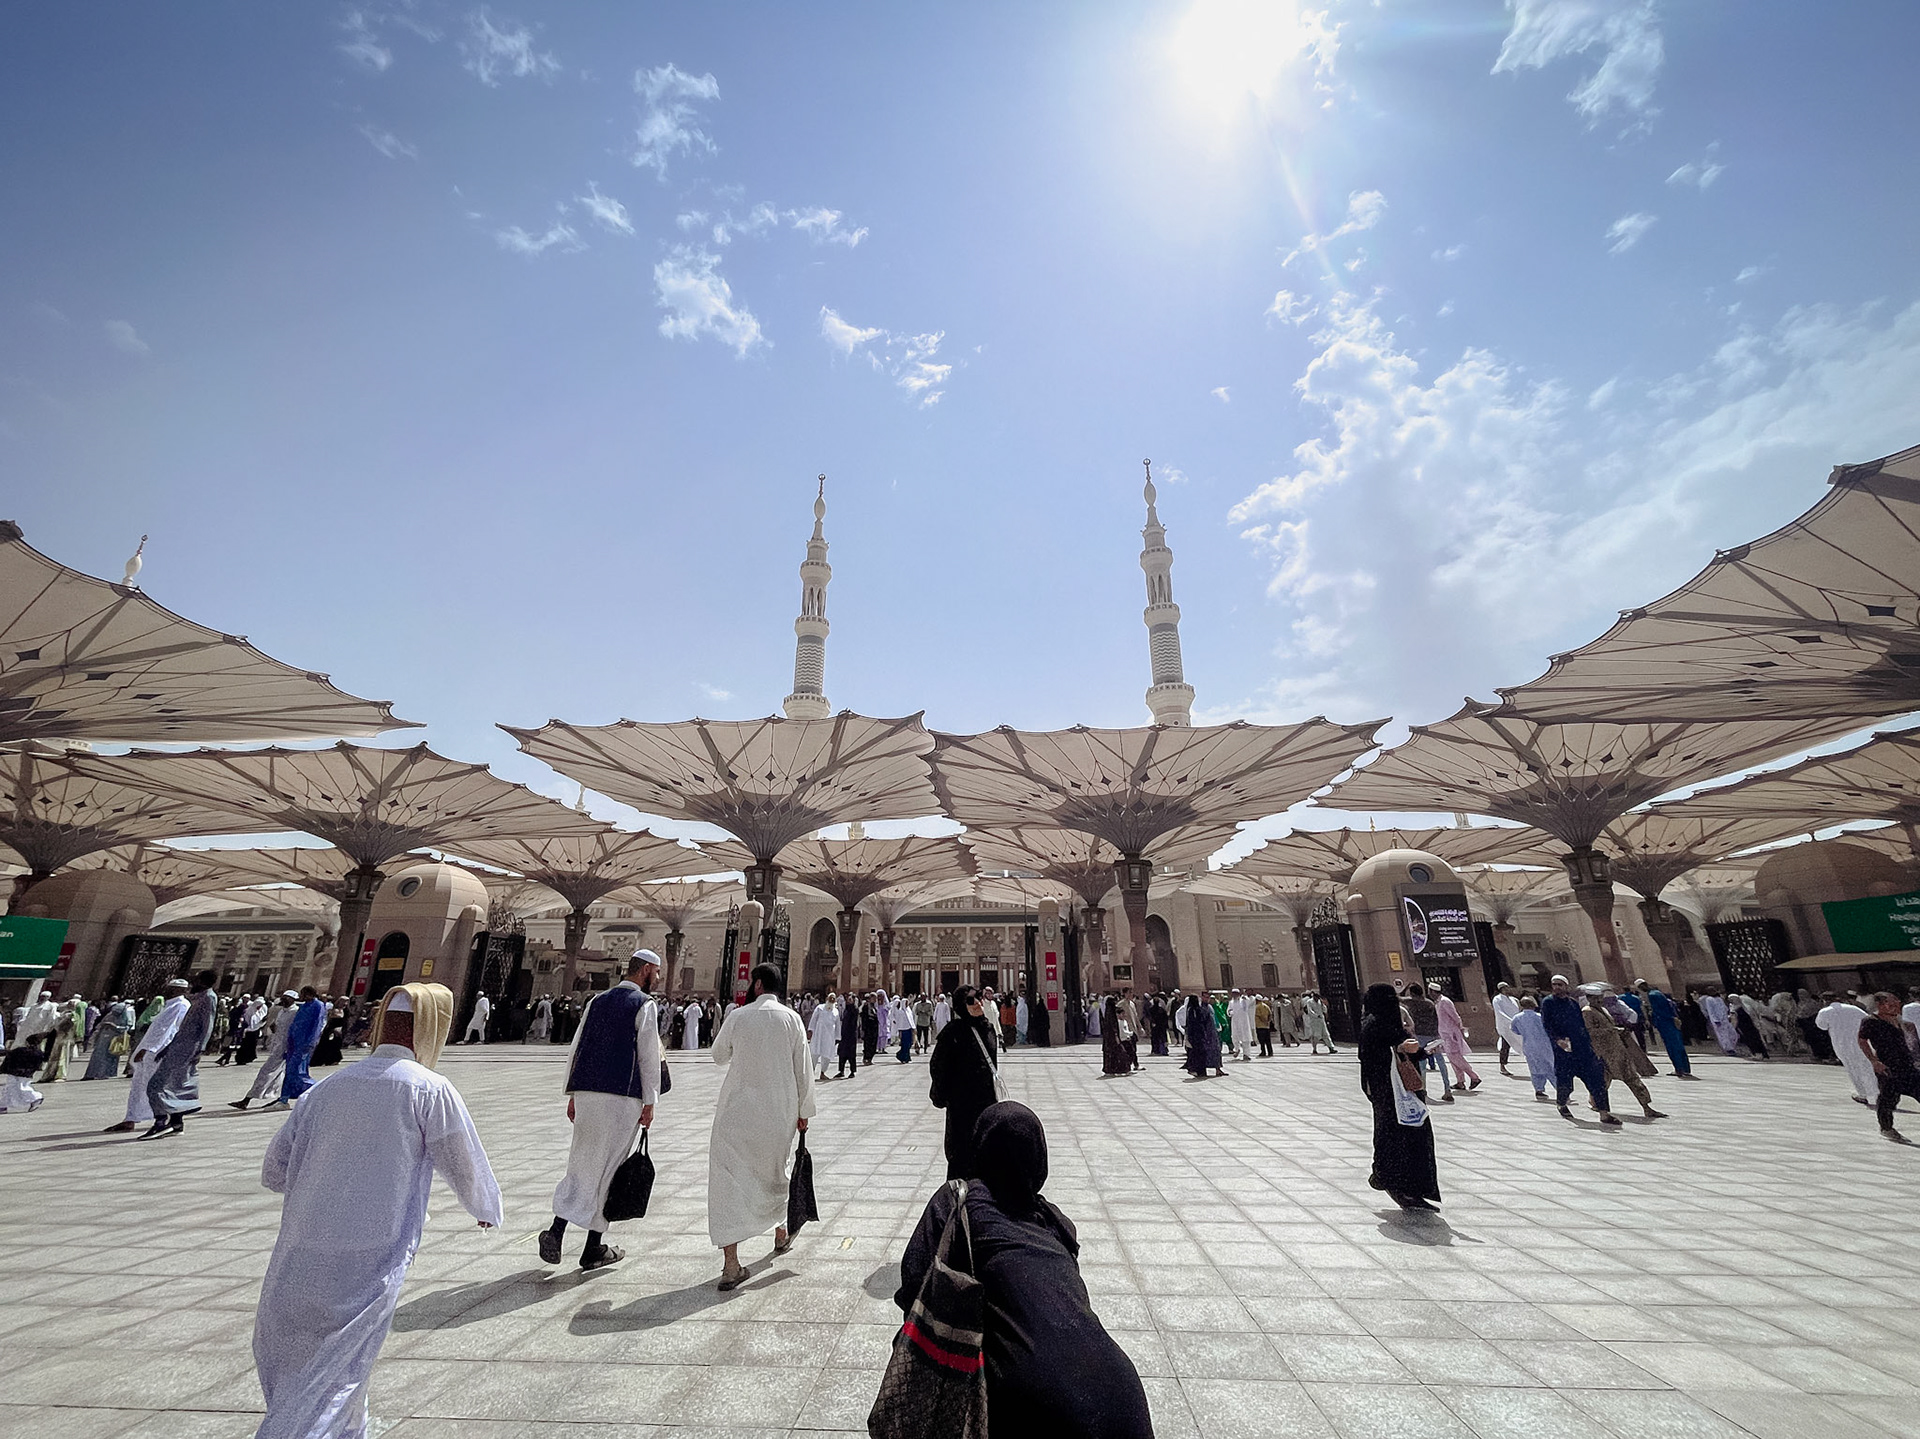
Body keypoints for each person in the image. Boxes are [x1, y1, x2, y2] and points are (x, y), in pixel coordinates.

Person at [253, 983, 500, 1437]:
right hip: (371, 1256)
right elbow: (462, 1160)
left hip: (299, 1253)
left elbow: (274, 1171)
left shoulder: (325, 1089)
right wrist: (484, 1207)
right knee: (338, 1375)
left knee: (300, 1373)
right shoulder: (428, 1088)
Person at [893, 1102, 1152, 1439]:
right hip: (1123, 1396)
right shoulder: (1055, 1222)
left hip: (1036, 1402)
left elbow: (914, 1285)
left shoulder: (957, 1202)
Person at [540, 949, 664, 1271]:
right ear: (645, 970)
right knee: (610, 1169)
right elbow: (648, 1055)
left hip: (588, 1095)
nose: (658, 979)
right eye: (656, 973)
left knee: (581, 1162)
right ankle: (592, 1247)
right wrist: (650, 1101)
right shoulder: (644, 1004)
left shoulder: (597, 1001)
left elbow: (578, 1046)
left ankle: (557, 1231)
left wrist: (573, 1093)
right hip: (622, 1098)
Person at [709, 964, 816, 1291]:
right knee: (776, 1173)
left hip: (736, 1113)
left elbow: (718, 1055)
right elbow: (804, 1070)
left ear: (757, 984)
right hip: (779, 1112)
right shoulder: (791, 1019)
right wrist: (804, 1111)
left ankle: (731, 1264)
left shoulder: (738, 1017)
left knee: (728, 1182)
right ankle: (780, 1233)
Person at [1357, 983, 1441, 1211]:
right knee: (1395, 1137)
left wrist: (1421, 1051)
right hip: (1388, 1093)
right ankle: (1393, 1182)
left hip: (1404, 1092)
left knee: (1415, 1135)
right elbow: (1369, 1056)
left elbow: (1406, 1049)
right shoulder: (1373, 1025)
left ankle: (1415, 1188)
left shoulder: (1389, 1024)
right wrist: (1399, 1049)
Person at [929, 985, 1002, 1178]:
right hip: (962, 1107)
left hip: (986, 1103)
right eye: (970, 1001)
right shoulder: (952, 1033)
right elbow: (938, 1066)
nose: (977, 1003)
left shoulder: (987, 1028)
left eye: (978, 997)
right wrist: (944, 1096)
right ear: (962, 1006)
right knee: (962, 1156)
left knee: (985, 1152)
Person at [139, 970, 218, 1139]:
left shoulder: (209, 997)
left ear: (202, 981)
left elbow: (208, 1024)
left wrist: (201, 1048)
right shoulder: (198, 997)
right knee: (174, 1086)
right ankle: (176, 1123)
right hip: (179, 1046)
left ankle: (161, 1122)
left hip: (188, 1049)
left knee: (156, 1086)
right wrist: (168, 1048)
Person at [104, 979, 189, 1133]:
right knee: (138, 1085)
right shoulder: (169, 1005)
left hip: (158, 1052)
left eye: (173, 989)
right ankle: (130, 1119)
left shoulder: (181, 1005)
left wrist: (148, 1049)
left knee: (155, 1087)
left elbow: (167, 1030)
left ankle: (164, 1120)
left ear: (181, 990)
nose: (169, 991)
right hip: (150, 1052)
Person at [1540, 975, 1618, 1126]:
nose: (1557, 987)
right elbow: (1547, 1024)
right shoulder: (1548, 1002)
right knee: (1565, 1083)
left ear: (1566, 986)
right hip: (1564, 1051)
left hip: (1583, 1049)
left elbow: (1581, 1025)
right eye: (1554, 984)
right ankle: (1561, 1103)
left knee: (1597, 1080)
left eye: (1560, 984)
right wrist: (1557, 1040)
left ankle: (1604, 1114)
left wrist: (1590, 1045)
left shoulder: (1573, 1003)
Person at [1579, 988, 1665, 1120]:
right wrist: (1611, 1031)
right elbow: (1589, 1032)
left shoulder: (1604, 1010)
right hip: (1603, 1052)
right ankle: (1597, 1103)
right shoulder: (1587, 1012)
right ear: (1589, 998)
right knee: (1603, 1081)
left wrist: (1617, 1031)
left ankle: (1646, 1107)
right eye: (1596, 998)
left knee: (1632, 1078)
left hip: (1618, 1050)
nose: (1599, 1000)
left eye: (1600, 997)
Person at [1855, 992, 1920, 1143]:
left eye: (1897, 1004)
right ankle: (1886, 1128)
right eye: (1891, 1005)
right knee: (1888, 1098)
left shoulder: (1901, 1021)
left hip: (1908, 1065)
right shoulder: (1871, 1021)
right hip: (1887, 1066)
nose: (1895, 1007)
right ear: (1880, 1005)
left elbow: (1911, 1043)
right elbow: (1862, 1040)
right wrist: (1874, 1061)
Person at [231, 993, 300, 1111]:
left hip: (286, 1046)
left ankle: (248, 1098)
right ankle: (276, 1098)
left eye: (286, 998)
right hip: (276, 1045)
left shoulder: (295, 1012)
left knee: (267, 1072)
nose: (283, 1000)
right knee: (277, 1073)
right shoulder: (282, 1011)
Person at [1817, 994, 1876, 1105]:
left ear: (1824, 1001)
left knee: (1852, 1068)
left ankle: (1862, 1094)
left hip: (1842, 1044)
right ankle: (1877, 1092)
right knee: (1867, 1066)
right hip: (1859, 1041)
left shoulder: (1824, 1012)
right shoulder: (1854, 1008)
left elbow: (1822, 1026)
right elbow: (1868, 1020)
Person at [275, 987, 329, 1108]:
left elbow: (318, 1024)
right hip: (294, 1043)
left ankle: (314, 1092)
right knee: (290, 1071)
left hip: (304, 1044)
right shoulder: (304, 1006)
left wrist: (310, 1042)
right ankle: (285, 1097)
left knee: (296, 1071)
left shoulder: (318, 1006)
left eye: (303, 994)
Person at [1402, 984, 1453, 1103]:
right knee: (1441, 1062)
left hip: (1420, 1034)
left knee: (1421, 1063)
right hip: (1433, 1034)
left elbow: (1399, 998)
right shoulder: (1429, 1003)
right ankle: (1447, 1089)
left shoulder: (1411, 1002)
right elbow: (1436, 1019)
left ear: (1412, 993)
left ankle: (1423, 1088)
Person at [1635, 980, 1694, 1079]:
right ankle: (1686, 1069)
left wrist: (1652, 1016)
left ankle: (1679, 1069)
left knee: (1672, 1047)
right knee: (1679, 1046)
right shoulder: (1658, 993)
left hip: (1665, 1023)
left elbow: (1658, 1011)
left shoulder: (1652, 995)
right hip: (1671, 1022)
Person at [1432, 982, 1481, 1091]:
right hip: (1444, 1034)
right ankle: (1460, 1081)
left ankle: (1474, 1077)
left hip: (1451, 1034)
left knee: (1455, 1057)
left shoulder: (1445, 1001)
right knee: (1452, 1058)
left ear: (1433, 991)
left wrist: (1459, 1028)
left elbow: (1455, 1016)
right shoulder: (1438, 1002)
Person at [1509, 995, 1556, 1099]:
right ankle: (1561, 1090)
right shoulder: (1539, 1017)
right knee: (1550, 1067)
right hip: (1544, 1046)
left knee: (1534, 1068)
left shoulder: (1516, 1018)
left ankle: (1539, 1090)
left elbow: (1514, 1029)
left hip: (1528, 1046)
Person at [83, 996, 135, 1081]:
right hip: (103, 1039)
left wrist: (115, 1027)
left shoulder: (125, 1016)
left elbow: (128, 1027)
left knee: (109, 1057)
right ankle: (91, 1073)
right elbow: (100, 1025)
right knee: (97, 1056)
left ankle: (104, 1073)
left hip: (114, 1040)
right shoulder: (110, 1015)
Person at [1181, 993, 1224, 1078]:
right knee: (1199, 1053)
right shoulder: (1195, 1010)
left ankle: (1213, 1070)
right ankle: (1198, 1070)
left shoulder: (1205, 1008)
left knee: (1212, 1051)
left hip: (1207, 1034)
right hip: (1200, 1035)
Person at [1697, 988, 1740, 1055]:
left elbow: (1724, 1008)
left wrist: (1728, 1016)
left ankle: (1732, 1047)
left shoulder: (1719, 999)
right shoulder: (1709, 999)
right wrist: (1715, 1020)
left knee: (1733, 1034)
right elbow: (1711, 1011)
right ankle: (1728, 1049)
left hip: (1725, 1019)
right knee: (1723, 1035)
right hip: (1717, 1021)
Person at [809, 989, 840, 1080]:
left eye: (833, 999)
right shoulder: (820, 1008)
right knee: (814, 1053)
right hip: (818, 1034)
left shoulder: (836, 1011)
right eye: (830, 998)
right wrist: (810, 1030)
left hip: (829, 1036)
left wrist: (838, 1037)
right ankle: (810, 1073)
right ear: (827, 999)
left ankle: (823, 1072)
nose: (832, 1000)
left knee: (827, 1055)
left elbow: (838, 1025)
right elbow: (813, 1020)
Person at [1491, 983, 1520, 1075]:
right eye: (1505, 988)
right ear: (1501, 989)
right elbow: (1499, 1012)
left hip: (1516, 1025)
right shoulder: (1497, 999)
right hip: (1505, 1026)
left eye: (1508, 987)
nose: (1508, 989)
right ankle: (1502, 1066)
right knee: (1505, 1045)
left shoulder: (1513, 1000)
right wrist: (1510, 1020)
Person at [1099, 995, 1130, 1076]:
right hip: (1112, 1039)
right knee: (1120, 1053)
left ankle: (1110, 1070)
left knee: (1111, 1054)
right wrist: (1116, 1036)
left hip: (1108, 1040)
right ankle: (1120, 1069)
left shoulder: (1107, 1014)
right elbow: (1113, 1027)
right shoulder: (1111, 1015)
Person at [836, 991, 861, 1079]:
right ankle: (841, 1071)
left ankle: (852, 1071)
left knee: (851, 1054)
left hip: (851, 1035)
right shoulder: (846, 1009)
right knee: (842, 1053)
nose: (848, 1000)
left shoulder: (854, 1009)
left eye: (850, 999)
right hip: (844, 1035)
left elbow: (854, 1023)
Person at [1228, 989, 1255, 1062]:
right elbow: (1228, 1010)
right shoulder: (1231, 1002)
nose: (1234, 995)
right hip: (1235, 1022)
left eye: (1236, 994)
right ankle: (1237, 1049)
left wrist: (1245, 998)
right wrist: (1230, 1012)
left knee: (1245, 1039)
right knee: (1235, 1037)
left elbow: (1249, 1003)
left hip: (1244, 1023)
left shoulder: (1243, 1001)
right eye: (1233, 994)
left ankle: (1246, 1054)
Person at [1253, 992, 1274, 1058]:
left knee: (1262, 1041)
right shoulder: (1266, 1006)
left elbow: (1260, 1016)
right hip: (1266, 1026)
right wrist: (1268, 1022)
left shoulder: (1257, 1007)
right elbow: (1270, 1014)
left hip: (1260, 1026)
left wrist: (1264, 1021)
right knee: (1268, 1041)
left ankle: (1263, 1052)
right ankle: (1270, 1052)